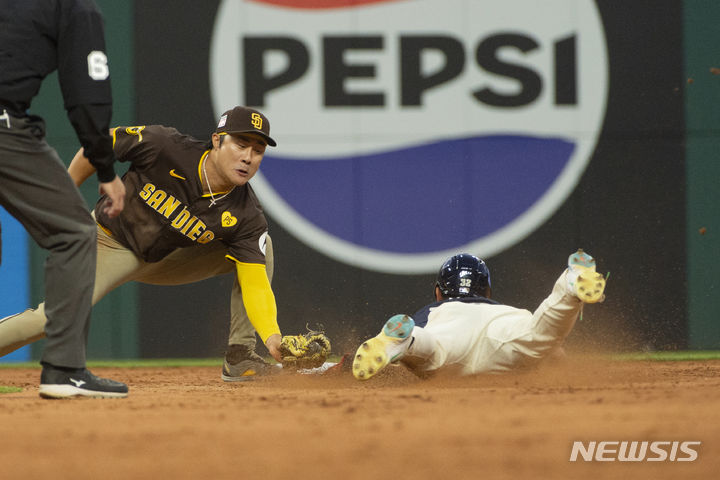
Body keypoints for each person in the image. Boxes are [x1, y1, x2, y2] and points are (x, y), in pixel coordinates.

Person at [0, 105, 286, 381]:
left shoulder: (247, 214)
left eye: (258, 150)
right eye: (240, 144)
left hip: (168, 258)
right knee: (51, 319)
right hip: (108, 242)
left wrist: (273, 338)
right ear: (217, 141)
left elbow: (255, 284)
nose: (248, 157)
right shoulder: (165, 146)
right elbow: (102, 144)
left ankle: (240, 356)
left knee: (262, 248)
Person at [0, 0, 128, 398]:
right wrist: (105, 169)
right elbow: (87, 95)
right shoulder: (75, 7)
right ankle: (65, 369)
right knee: (73, 231)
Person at [352, 249, 607, 380]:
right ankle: (569, 284)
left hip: (450, 332)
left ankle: (402, 341)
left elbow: (406, 369)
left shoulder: (436, 310)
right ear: (486, 290)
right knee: (539, 334)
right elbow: (556, 353)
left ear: (438, 292)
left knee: (430, 350)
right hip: (503, 327)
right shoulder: (503, 310)